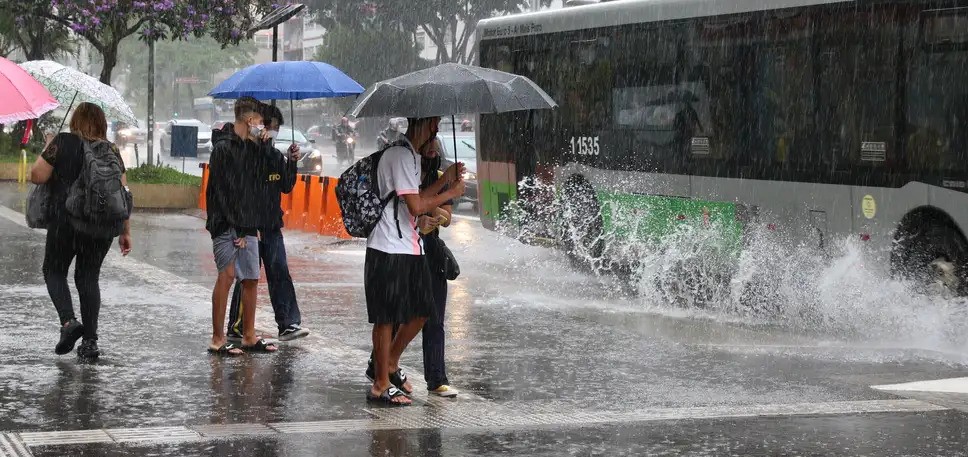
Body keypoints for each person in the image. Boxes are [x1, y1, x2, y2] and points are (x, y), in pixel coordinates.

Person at [365, 117, 465, 405]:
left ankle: (391, 363)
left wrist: (445, 179)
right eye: (434, 124)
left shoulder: (411, 156)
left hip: (409, 247)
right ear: (425, 125)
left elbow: (420, 197)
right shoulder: (400, 154)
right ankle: (381, 383)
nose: (436, 131)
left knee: (422, 310)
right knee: (386, 318)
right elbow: (416, 205)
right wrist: (451, 191)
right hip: (387, 246)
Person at [30, 102, 133, 359]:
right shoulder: (110, 150)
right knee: (88, 279)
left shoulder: (63, 142)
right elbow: (123, 194)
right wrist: (125, 231)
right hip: (99, 228)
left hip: (65, 223)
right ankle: (90, 342)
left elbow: (37, 176)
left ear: (75, 121)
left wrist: (48, 145)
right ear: (101, 124)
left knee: (53, 270)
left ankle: (69, 322)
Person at [225, 102, 310, 342]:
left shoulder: (273, 153)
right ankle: (237, 326)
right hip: (249, 226)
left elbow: (286, 185)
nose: (270, 133)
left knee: (280, 271)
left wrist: (292, 161)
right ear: (257, 124)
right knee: (248, 277)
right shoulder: (243, 151)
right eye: (269, 127)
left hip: (271, 224)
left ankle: (288, 323)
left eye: (275, 130)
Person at [206, 98, 278, 355]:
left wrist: (266, 146)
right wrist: (235, 228)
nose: (263, 126)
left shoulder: (252, 148)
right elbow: (222, 193)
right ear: (250, 121)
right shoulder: (223, 149)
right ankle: (217, 338)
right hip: (226, 224)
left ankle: (249, 335)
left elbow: (263, 181)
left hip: (248, 224)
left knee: (251, 278)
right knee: (226, 277)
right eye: (260, 121)